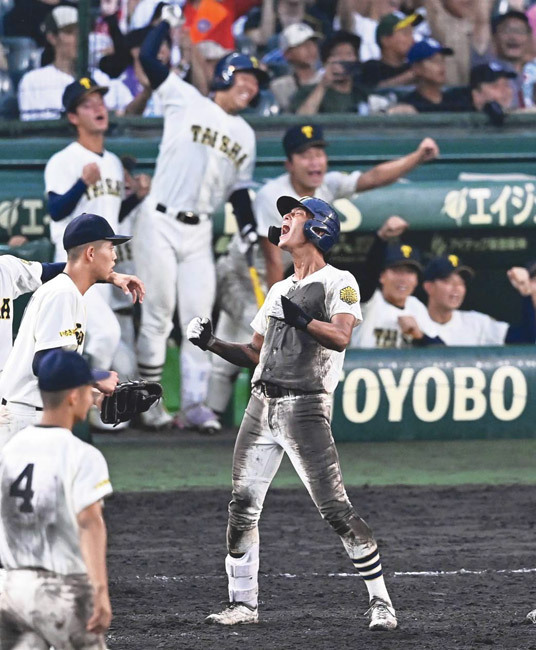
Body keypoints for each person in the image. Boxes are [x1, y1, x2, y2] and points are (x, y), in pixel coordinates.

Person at [187, 195, 397, 629]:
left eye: (296, 213)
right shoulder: (281, 287)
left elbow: (340, 337)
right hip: (261, 404)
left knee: (335, 510)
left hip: (305, 406)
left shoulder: (341, 281)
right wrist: (210, 343)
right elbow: (253, 352)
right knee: (241, 506)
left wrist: (300, 319)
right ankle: (243, 603)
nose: (285, 218)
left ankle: (382, 603)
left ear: (318, 227)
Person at [207, 123, 439, 418]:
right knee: (262, 341)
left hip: (274, 272)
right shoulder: (273, 195)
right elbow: (273, 258)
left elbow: (373, 177)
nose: (314, 161)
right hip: (245, 272)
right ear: (289, 164)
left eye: (319, 153)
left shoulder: (326, 186)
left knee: (245, 345)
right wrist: (278, 303)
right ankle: (234, 416)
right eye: (305, 155)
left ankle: (213, 416)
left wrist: (417, 157)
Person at [133, 6, 268, 432]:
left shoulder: (246, 134)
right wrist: (165, 24)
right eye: (245, 76)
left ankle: (193, 404)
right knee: (158, 312)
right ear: (227, 73)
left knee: (196, 316)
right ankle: (147, 404)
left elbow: (239, 189)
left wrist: (247, 226)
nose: (250, 85)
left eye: (256, 81)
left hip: (199, 229)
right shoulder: (184, 96)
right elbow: (151, 61)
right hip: (159, 218)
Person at [44, 77, 149, 428]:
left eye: (100, 102)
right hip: (73, 269)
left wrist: (137, 197)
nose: (98, 108)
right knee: (103, 336)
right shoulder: (64, 160)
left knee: (124, 359)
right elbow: (56, 210)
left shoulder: (115, 162)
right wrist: (80, 183)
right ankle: (84, 404)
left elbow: (110, 216)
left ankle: (85, 401)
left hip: (103, 267)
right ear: (73, 116)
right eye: (88, 105)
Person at [0, 349, 114, 648]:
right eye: (89, 390)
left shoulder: (10, 448)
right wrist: (100, 592)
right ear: (73, 397)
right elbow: (90, 524)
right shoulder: (82, 455)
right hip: (62, 592)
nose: (93, 397)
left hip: (10, 589)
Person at [0, 213, 144, 445]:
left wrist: (93, 396)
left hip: (25, 410)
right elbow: (45, 363)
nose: (115, 256)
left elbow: (52, 269)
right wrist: (95, 376)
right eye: (110, 247)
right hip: (23, 417)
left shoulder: (62, 289)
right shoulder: (62, 294)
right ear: (90, 253)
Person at [17, 6, 131, 120]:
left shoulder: (101, 78)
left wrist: (145, 92)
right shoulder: (33, 81)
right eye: (70, 32)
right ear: (52, 37)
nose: (78, 38)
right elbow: (31, 132)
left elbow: (131, 112)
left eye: (81, 32)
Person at [397, 255, 536, 345]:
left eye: (461, 283)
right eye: (448, 281)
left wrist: (527, 296)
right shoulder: (412, 317)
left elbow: (526, 339)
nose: (456, 288)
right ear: (428, 287)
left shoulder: (476, 323)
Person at [351, 239, 431, 348]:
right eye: (397, 271)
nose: (403, 279)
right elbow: (369, 277)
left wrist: (420, 336)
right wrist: (381, 238)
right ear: (381, 276)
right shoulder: (369, 300)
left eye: (409, 272)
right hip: (363, 364)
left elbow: (442, 349)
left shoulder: (416, 305)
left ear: (416, 280)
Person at [293, 30, 369, 114]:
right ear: (326, 61)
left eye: (349, 54)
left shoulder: (362, 94)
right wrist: (323, 85)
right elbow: (302, 120)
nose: (344, 59)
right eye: (337, 54)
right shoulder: (307, 92)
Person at [398, 37, 473, 112]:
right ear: (417, 68)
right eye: (434, 61)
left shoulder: (456, 102)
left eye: (442, 60)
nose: (441, 66)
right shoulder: (408, 105)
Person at [270, 22, 322, 113]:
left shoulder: (327, 78)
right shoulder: (279, 86)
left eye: (312, 43)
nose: (310, 48)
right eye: (302, 45)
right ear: (287, 54)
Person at [360, 10, 421, 89]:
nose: (413, 40)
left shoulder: (413, 66)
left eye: (412, 34)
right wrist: (409, 76)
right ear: (385, 40)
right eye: (405, 34)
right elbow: (371, 91)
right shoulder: (372, 68)